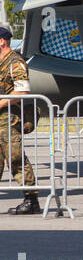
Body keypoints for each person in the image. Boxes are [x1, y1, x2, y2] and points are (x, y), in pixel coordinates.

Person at [0, 26, 39, 215]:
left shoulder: (15, 63)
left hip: (9, 118)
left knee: (15, 159)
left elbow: (22, 92)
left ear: (2, 41)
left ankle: (31, 200)